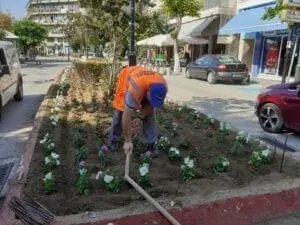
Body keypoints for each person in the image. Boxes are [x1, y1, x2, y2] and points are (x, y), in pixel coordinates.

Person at [105, 65, 168, 157]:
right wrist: (128, 141)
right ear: (148, 92)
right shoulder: (135, 88)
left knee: (150, 115)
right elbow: (127, 114)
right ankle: (112, 142)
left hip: (143, 81)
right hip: (127, 77)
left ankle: (151, 146)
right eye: (151, 98)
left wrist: (140, 117)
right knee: (120, 111)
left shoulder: (162, 84)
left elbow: (151, 106)